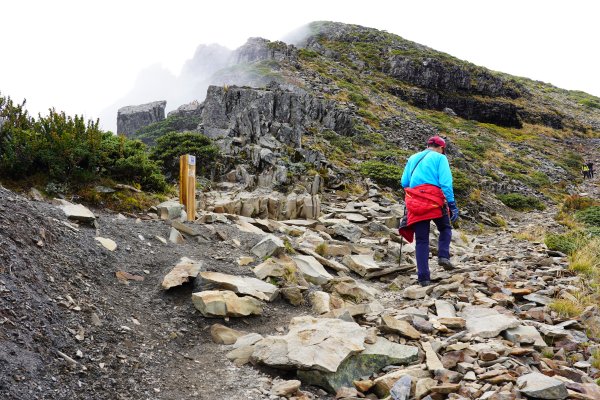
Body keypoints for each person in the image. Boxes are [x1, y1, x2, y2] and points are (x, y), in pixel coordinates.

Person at [398, 136, 459, 287]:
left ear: (427, 145)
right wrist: (452, 204)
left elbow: (404, 182)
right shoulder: (440, 158)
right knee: (445, 228)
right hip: (434, 201)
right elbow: (446, 183)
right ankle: (443, 256)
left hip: (415, 201)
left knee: (422, 240)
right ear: (441, 148)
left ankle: (424, 278)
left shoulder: (413, 158)